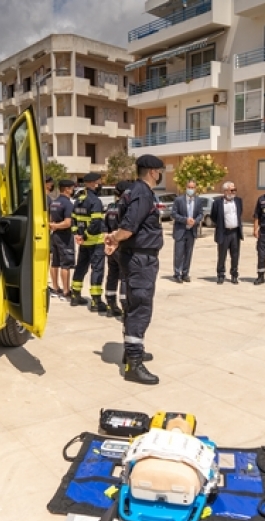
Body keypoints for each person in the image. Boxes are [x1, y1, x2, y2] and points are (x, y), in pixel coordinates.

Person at [104, 154, 164, 385]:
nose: (160, 174)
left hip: (135, 258)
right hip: (141, 260)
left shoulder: (131, 191)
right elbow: (128, 228)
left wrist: (115, 238)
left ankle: (131, 351)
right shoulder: (142, 193)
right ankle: (134, 364)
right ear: (152, 171)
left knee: (132, 305)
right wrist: (115, 238)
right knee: (139, 308)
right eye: (160, 170)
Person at [71, 172, 107, 311]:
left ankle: (75, 296)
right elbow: (96, 223)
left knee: (80, 267)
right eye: (98, 182)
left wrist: (77, 234)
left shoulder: (79, 199)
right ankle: (96, 301)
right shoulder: (95, 201)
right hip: (95, 241)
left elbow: (73, 218)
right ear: (91, 183)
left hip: (82, 242)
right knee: (97, 269)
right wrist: (85, 235)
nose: (99, 185)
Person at [103, 180, 133, 318]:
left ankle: (110, 305)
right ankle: (125, 307)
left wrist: (108, 242)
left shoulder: (110, 207)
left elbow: (105, 227)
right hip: (121, 247)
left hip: (111, 247)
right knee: (125, 277)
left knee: (112, 275)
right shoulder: (126, 207)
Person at [210, 181, 243, 285]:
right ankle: (220, 275)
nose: (234, 192)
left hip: (235, 232)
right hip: (224, 232)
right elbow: (213, 216)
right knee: (222, 255)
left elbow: (240, 213)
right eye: (231, 190)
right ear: (225, 191)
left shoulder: (238, 201)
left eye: (234, 190)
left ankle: (234, 275)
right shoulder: (217, 203)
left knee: (235, 255)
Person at [170, 179, 204, 283]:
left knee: (188, 253)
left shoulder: (198, 201)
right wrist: (185, 220)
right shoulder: (179, 200)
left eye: (193, 187)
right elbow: (174, 214)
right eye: (189, 187)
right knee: (179, 254)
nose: (191, 189)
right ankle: (177, 274)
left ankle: (185, 273)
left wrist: (195, 221)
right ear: (186, 188)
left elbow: (201, 214)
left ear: (195, 188)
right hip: (180, 230)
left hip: (191, 231)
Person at [49, 179, 76, 300]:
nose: (73, 190)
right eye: (72, 188)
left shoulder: (54, 203)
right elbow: (67, 223)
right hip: (64, 236)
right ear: (67, 189)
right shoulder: (68, 204)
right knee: (66, 265)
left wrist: (53, 226)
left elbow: (50, 219)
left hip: (54, 236)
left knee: (55, 262)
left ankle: (55, 288)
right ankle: (66, 292)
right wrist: (56, 226)